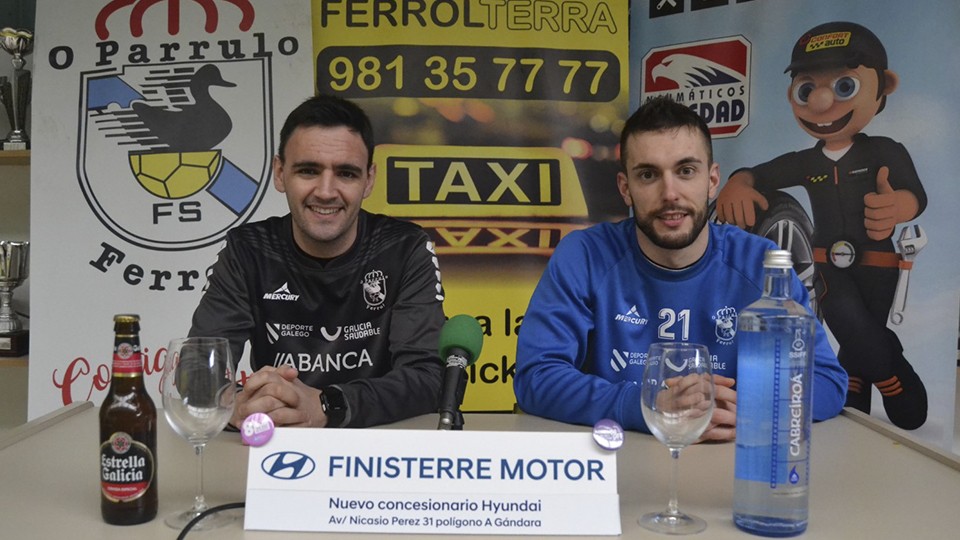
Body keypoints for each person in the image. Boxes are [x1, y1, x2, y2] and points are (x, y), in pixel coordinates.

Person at [514, 96, 847, 441]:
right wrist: (647, 406)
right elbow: (536, 377)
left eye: (686, 171)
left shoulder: (763, 265)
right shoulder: (584, 256)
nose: (670, 193)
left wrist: (755, 407)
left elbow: (826, 380)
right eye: (648, 175)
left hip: (732, 467)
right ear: (625, 189)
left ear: (712, 180)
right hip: (615, 465)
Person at [716, 22, 927, 430]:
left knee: (862, 331)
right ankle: (894, 379)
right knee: (845, 318)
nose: (822, 101)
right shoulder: (806, 161)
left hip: (881, 265)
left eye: (844, 86)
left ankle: (856, 385)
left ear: (884, 86)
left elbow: (916, 196)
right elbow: (756, 174)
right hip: (829, 265)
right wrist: (737, 184)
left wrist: (897, 206)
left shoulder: (886, 150)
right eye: (807, 90)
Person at [189, 94, 446, 429]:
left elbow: (430, 379)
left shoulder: (404, 247)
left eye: (346, 174)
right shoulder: (248, 250)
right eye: (308, 170)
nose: (326, 191)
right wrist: (233, 405)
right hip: (278, 444)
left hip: (379, 449)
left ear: (369, 179)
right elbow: (196, 372)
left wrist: (328, 404)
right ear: (280, 173)